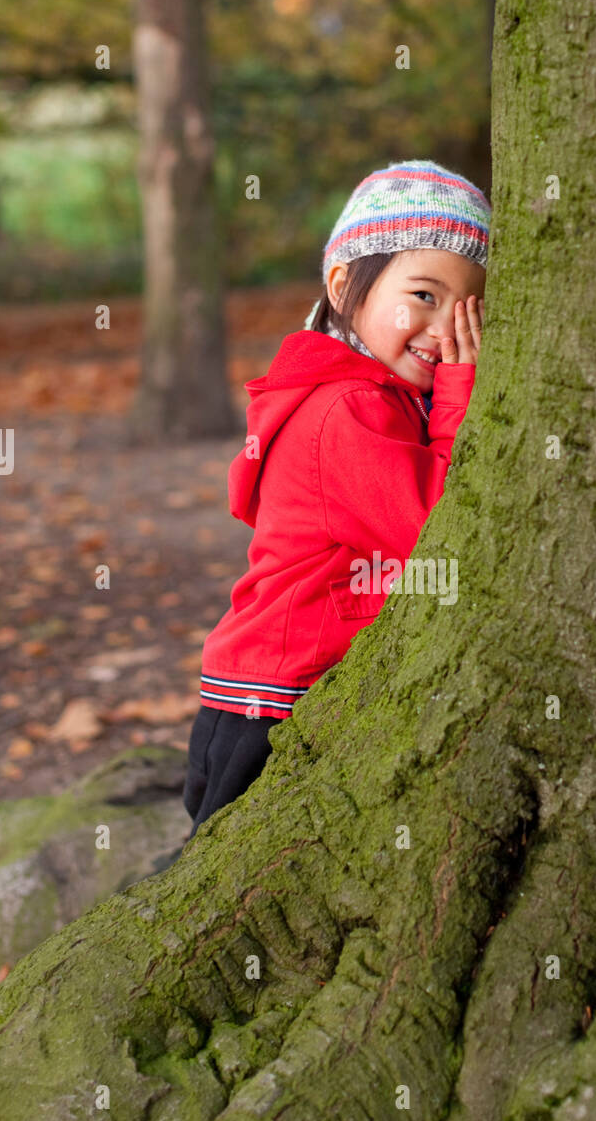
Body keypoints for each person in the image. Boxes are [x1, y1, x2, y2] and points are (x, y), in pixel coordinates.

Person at [183, 159, 490, 837]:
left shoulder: (375, 394)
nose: (445, 330)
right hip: (271, 702)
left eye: (470, 307)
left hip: (274, 690)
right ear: (343, 282)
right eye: (424, 295)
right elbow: (442, 525)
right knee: (244, 868)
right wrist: (463, 397)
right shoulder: (346, 408)